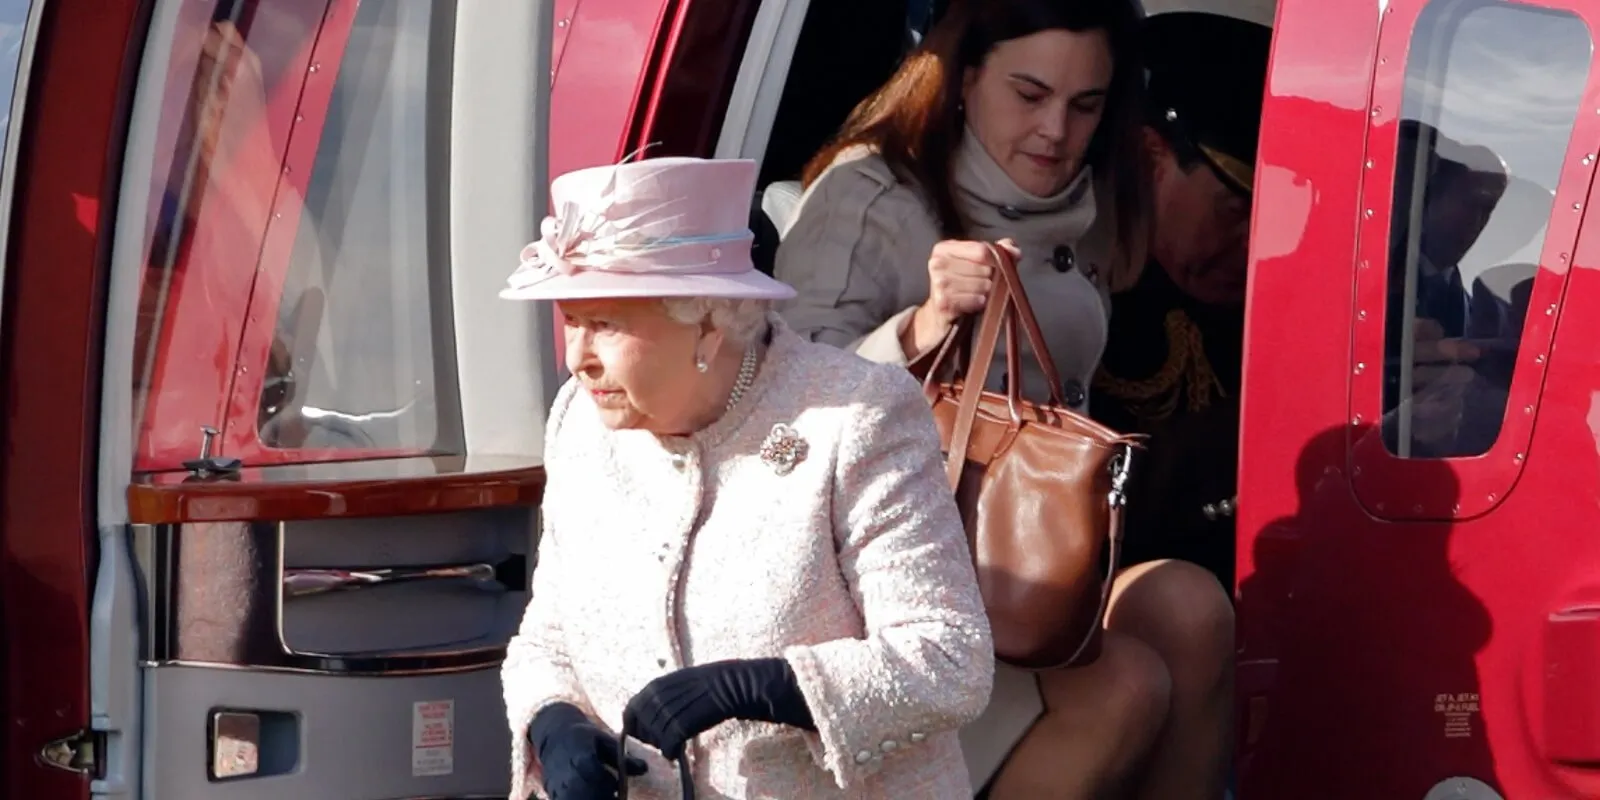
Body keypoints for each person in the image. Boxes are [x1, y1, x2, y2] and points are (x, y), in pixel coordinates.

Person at [772, 1, 1234, 797]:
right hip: (890, 583)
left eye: (1085, 105)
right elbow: (781, 419)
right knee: (1123, 687)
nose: (1056, 130)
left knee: (1192, 611)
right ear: (965, 77)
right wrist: (919, 327)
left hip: (1022, 556)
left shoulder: (1086, 206)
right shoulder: (875, 195)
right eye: (1030, 94)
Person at [499, 156, 995, 800]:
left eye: (606, 324)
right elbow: (548, 633)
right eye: (571, 321)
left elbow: (951, 658)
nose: (578, 358)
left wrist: (771, 687)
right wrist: (551, 721)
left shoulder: (854, 416)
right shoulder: (579, 424)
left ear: (706, 320)